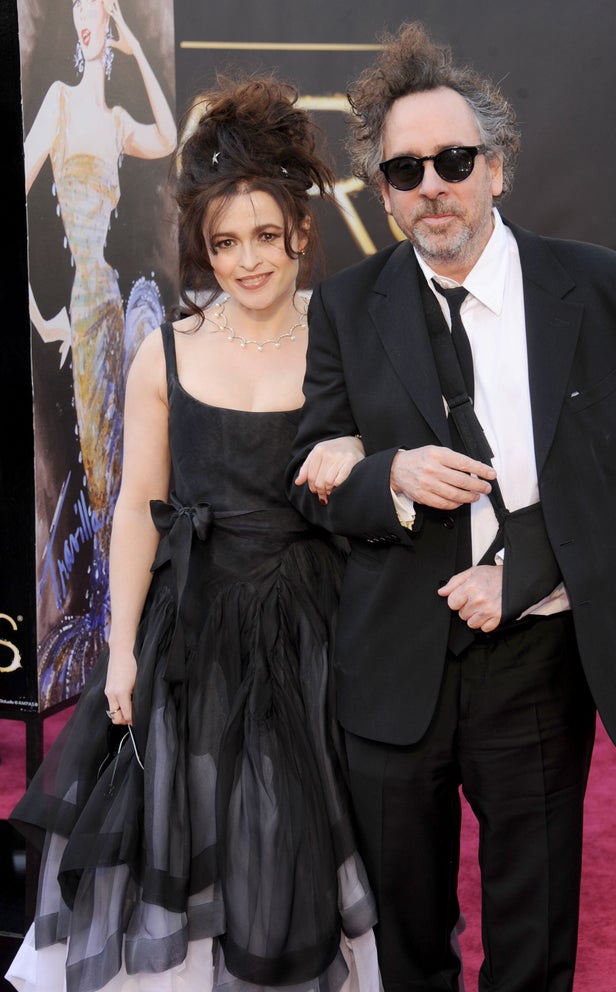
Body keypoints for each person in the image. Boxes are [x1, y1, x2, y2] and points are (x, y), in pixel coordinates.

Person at [287, 21, 616, 992]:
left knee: (536, 926)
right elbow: (313, 480)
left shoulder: (601, 291)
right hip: (391, 661)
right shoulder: (343, 305)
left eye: (454, 160)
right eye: (405, 170)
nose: (432, 184)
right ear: (383, 194)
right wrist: (385, 475)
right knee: (408, 933)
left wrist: (534, 563)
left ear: (497, 167)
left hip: (537, 660)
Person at [7, 73, 381, 992]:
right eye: (224, 243)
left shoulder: (345, 338)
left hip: (314, 628)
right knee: (195, 812)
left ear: (300, 230)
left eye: (264, 236)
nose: (247, 261)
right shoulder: (163, 348)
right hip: (194, 623)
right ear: (202, 247)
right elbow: (139, 502)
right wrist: (123, 652)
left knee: (290, 829)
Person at [25, 0, 177, 706]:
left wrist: (137, 52)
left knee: (126, 468)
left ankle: (124, 636)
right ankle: (101, 644)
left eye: (100, 19)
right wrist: (37, 313)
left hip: (113, 302)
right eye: (81, 18)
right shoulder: (55, 102)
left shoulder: (115, 121)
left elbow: (170, 137)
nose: (88, 28)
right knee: (94, 468)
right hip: (82, 303)